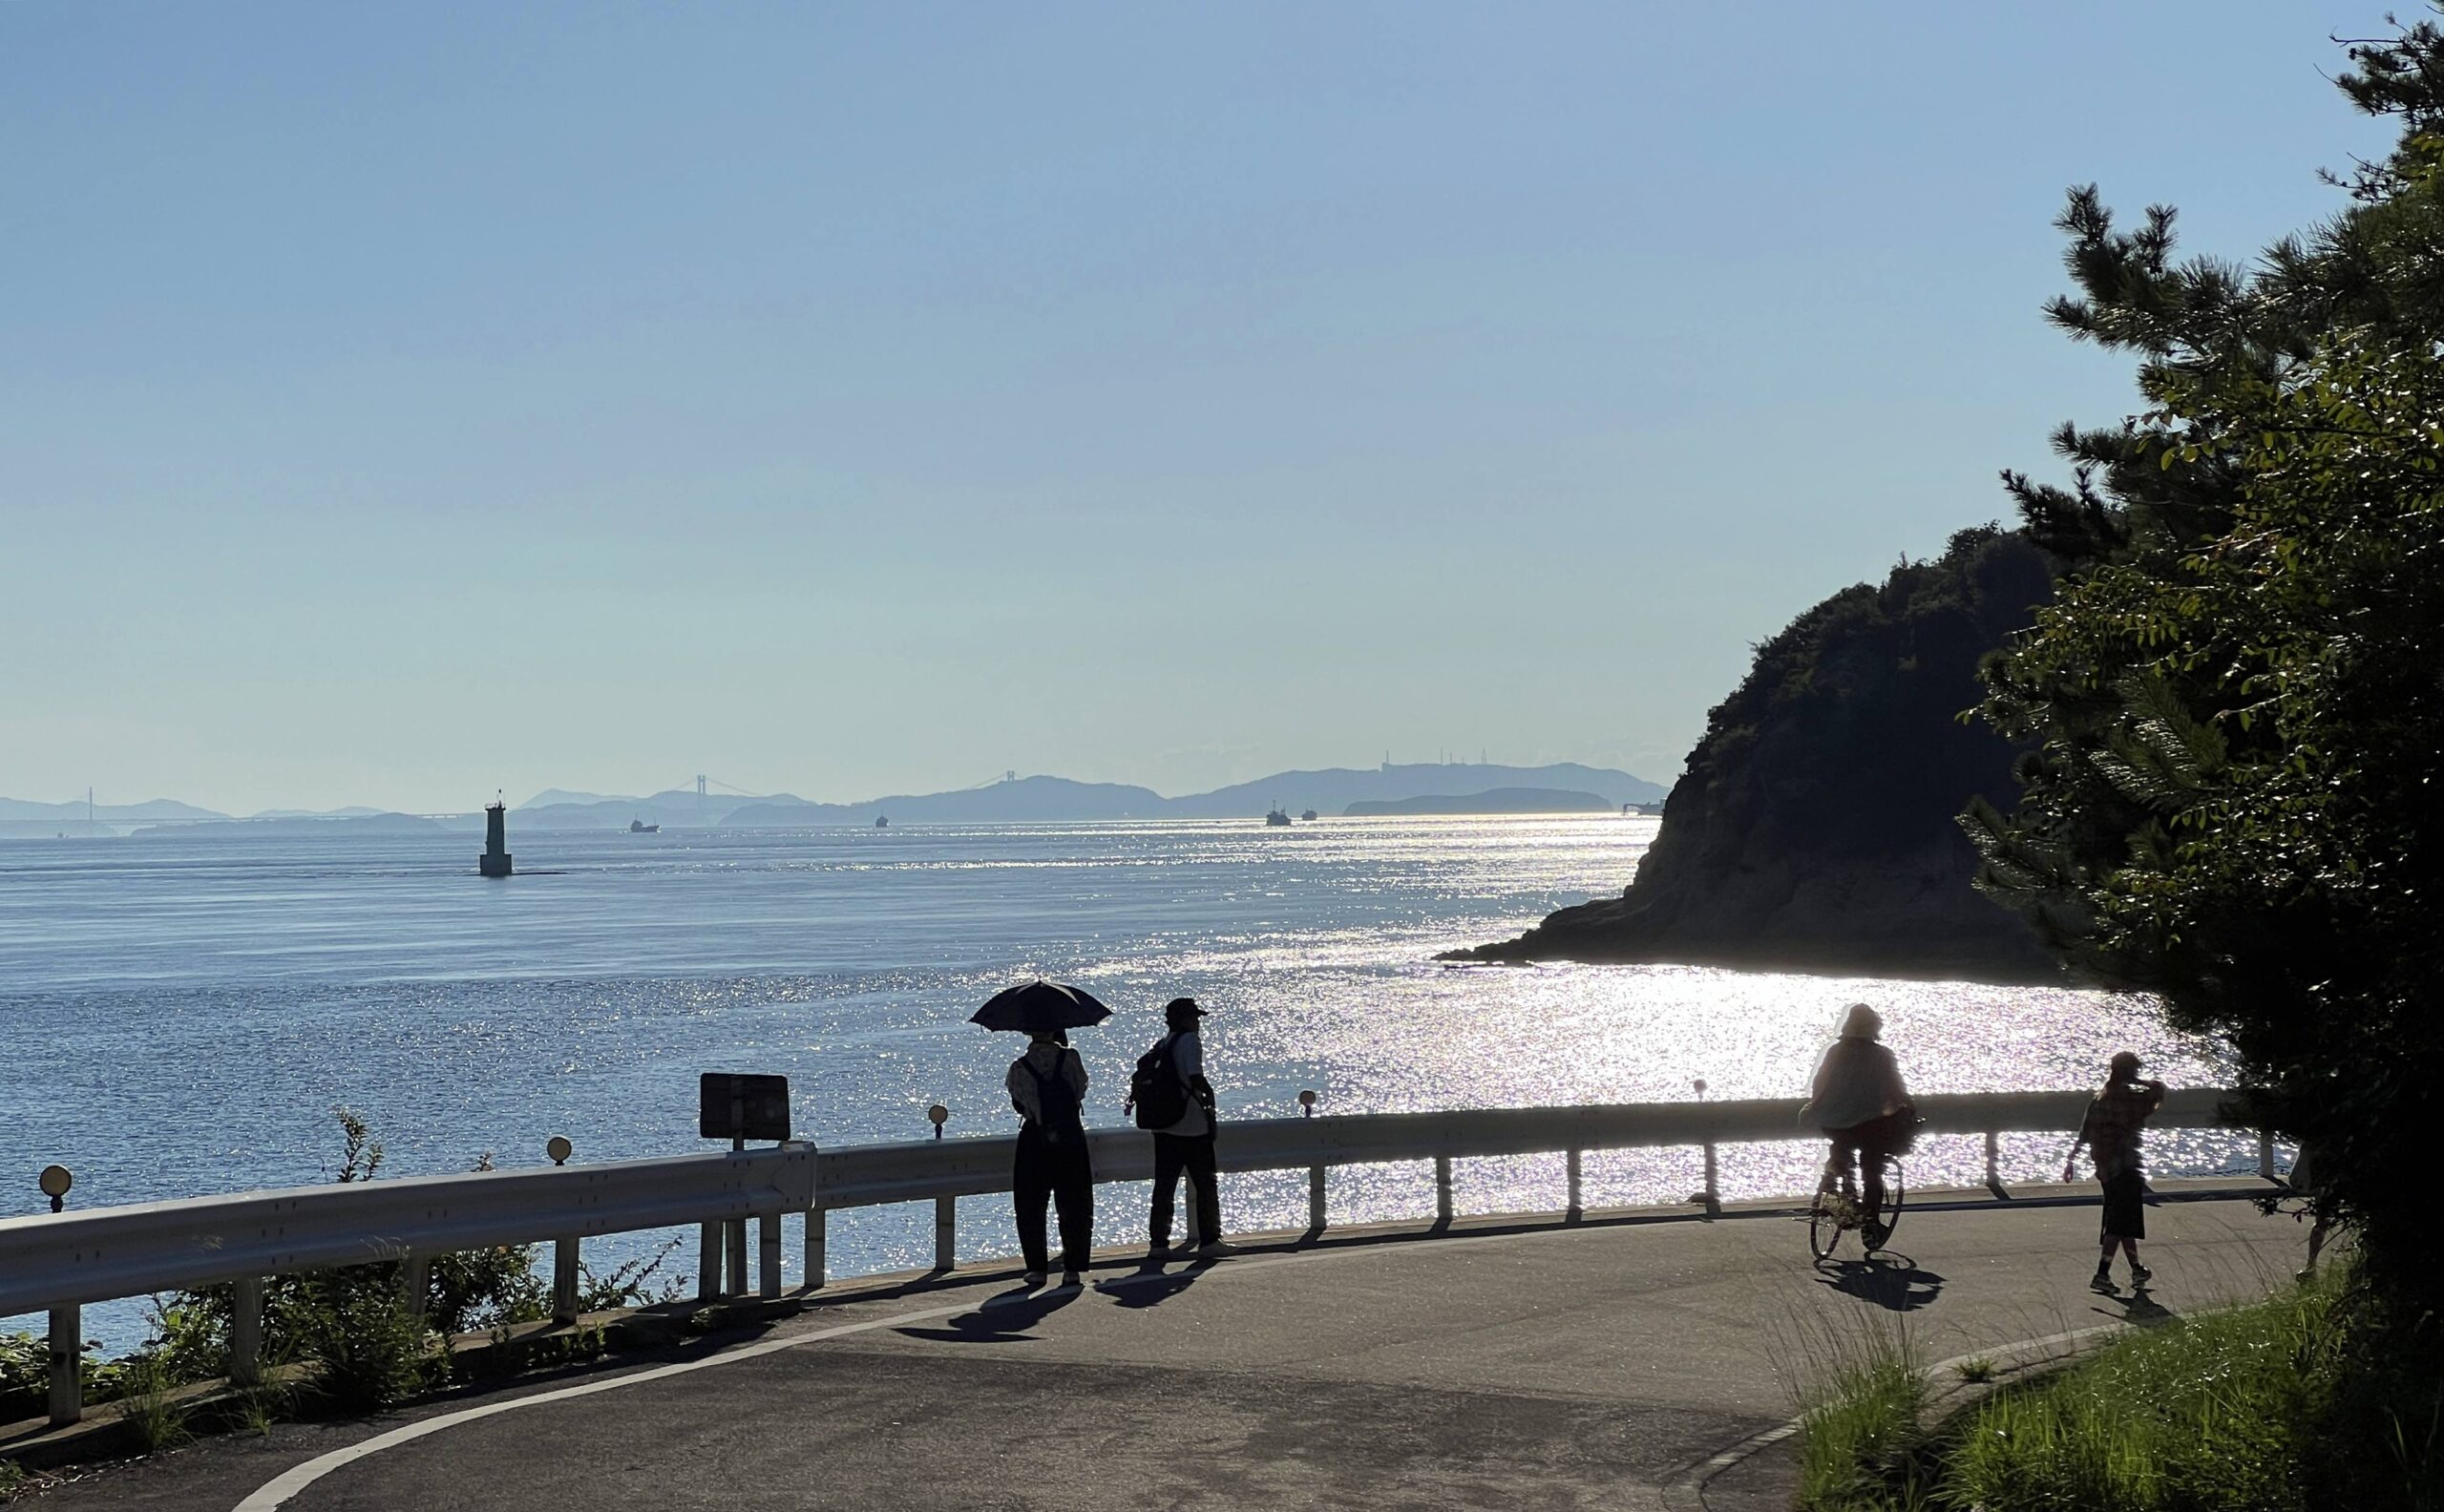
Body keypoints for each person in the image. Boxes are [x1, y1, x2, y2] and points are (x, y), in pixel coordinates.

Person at [1801, 1003, 1914, 1249]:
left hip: (1831, 1121)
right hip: (1868, 1124)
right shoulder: (1881, 1055)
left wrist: (1817, 1107)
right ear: (1874, 1029)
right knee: (1872, 1169)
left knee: (1841, 1145)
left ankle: (1836, 1178)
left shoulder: (1835, 1052)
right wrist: (1906, 1108)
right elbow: (1896, 1090)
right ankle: (1870, 1224)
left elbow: (1819, 1083)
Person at [2062, 1051, 2166, 1292]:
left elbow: (2085, 1131)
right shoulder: (2129, 1098)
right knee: (2119, 1222)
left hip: (2105, 1168)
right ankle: (2102, 1273)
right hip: (2126, 1166)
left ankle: (2136, 1269)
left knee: (2121, 1218)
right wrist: (2139, 1082)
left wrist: (2071, 1160)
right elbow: (2158, 1091)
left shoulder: (2100, 1098)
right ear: (2132, 1072)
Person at [1136, 997, 1225, 1259]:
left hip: (1164, 1125)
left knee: (1164, 1185)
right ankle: (1210, 1239)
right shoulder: (1189, 1041)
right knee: (1205, 1183)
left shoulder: (1163, 1043)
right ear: (1186, 1019)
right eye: (1195, 1017)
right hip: (1191, 1125)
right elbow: (1195, 1076)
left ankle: (1159, 1243)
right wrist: (1210, 1099)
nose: (1198, 1022)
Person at [1006, 1028, 1092, 1288]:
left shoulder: (1019, 1067)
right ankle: (1073, 1268)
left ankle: (1036, 1269)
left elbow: (1019, 1104)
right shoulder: (1071, 1058)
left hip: (1035, 1138)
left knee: (1030, 1204)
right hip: (1069, 1134)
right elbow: (1080, 1091)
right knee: (1074, 1201)